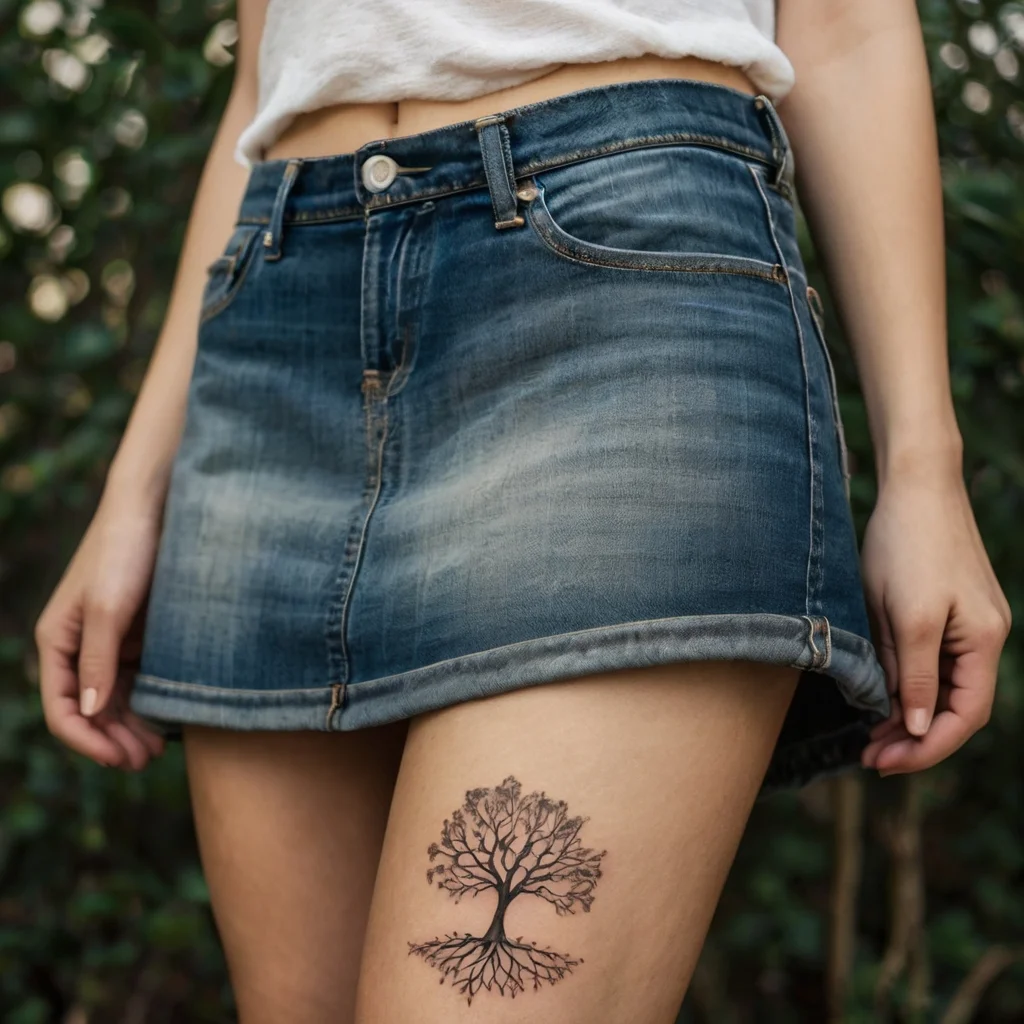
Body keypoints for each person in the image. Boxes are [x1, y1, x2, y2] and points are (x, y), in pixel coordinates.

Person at [35, 0, 1011, 1021]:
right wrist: (136, 487)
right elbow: (268, 74)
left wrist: (922, 465)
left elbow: (846, 26)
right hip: (279, 306)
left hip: (614, 289)